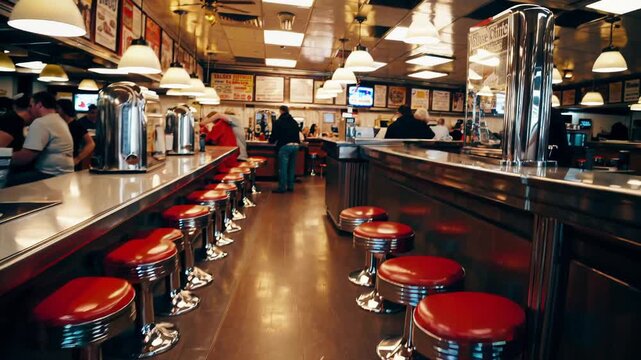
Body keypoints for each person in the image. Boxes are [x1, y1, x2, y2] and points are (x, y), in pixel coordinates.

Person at [8, 92, 74, 186]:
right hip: (63, 173)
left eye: (31, 106)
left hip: (51, 175)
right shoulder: (58, 119)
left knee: (7, 179)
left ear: (39, 105)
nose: (29, 109)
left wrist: (4, 157)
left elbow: (25, 157)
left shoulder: (42, 122)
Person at [269, 105, 300, 193]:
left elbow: (274, 136)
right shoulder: (294, 122)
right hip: (295, 146)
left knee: (283, 168)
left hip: (285, 146)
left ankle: (282, 188)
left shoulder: (279, 122)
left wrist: (270, 141)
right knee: (291, 167)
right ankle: (290, 187)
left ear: (281, 111)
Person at [57, 99, 96, 169]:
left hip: (71, 164)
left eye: (58, 109)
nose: (55, 112)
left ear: (64, 110)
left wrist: (77, 159)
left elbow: (91, 144)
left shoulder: (77, 125)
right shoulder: (59, 124)